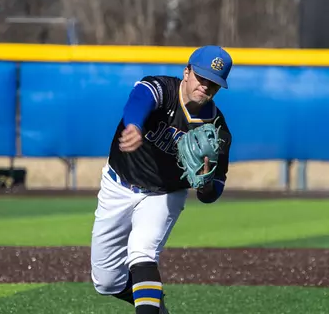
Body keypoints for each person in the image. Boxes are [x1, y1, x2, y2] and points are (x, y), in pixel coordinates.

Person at [90, 45, 234, 314]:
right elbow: (139, 98)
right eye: (201, 77)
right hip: (118, 184)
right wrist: (133, 124)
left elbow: (214, 191)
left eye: (213, 83)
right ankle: (154, 304)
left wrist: (204, 184)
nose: (205, 86)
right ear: (187, 72)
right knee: (106, 282)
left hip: (164, 194)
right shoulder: (162, 89)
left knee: (142, 254)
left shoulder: (217, 131)